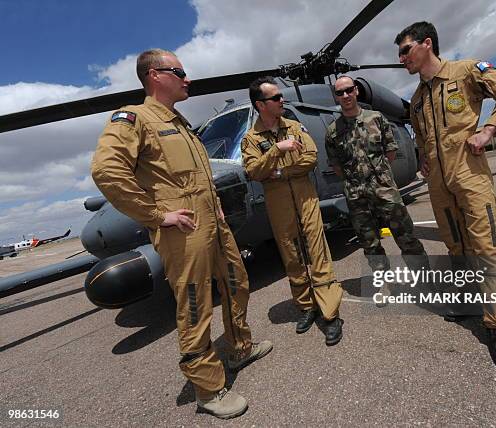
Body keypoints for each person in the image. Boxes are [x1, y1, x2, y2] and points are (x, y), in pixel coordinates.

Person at [91, 49, 272, 419]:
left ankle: (239, 348)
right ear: (155, 75)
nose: (188, 78)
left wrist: (216, 204)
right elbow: (107, 172)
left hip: (214, 222)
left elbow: (194, 176)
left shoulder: (182, 123)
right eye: (180, 71)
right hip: (183, 229)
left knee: (237, 282)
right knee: (195, 304)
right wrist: (157, 215)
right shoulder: (135, 119)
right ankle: (207, 388)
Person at [395, 22, 496, 370]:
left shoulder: (468, 71)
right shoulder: (418, 99)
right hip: (439, 182)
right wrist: (424, 156)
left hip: (469, 174)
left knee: (486, 245)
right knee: (455, 244)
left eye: (405, 50)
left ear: (427, 44)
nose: (401, 58)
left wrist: (488, 130)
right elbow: (422, 135)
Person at [241, 77, 344, 346]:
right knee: (291, 253)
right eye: (275, 98)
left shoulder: (296, 127)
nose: (281, 100)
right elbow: (253, 171)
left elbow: (310, 159)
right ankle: (307, 306)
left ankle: (330, 312)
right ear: (260, 105)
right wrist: (276, 150)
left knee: (317, 250)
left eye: (280, 96)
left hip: (305, 196)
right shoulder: (251, 139)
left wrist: (277, 172)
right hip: (278, 204)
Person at [325, 76, 427, 300]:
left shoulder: (377, 118)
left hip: (384, 190)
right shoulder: (333, 131)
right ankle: (383, 282)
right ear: (336, 96)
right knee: (370, 244)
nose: (345, 96)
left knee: (406, 236)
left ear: (356, 91)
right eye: (340, 93)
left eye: (349, 90)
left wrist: (377, 178)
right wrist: (357, 182)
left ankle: (424, 281)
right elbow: (337, 166)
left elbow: (389, 154)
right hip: (356, 196)